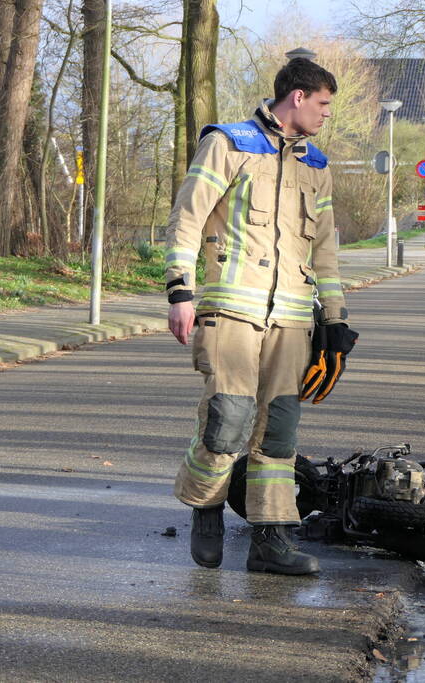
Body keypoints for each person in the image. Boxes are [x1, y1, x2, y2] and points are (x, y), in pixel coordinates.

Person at [164, 57, 350, 575]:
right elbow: (187, 216)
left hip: (292, 319)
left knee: (280, 429)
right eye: (323, 104)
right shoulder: (229, 143)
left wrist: (335, 321)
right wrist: (180, 290)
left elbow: (327, 252)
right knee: (229, 420)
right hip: (232, 310)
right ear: (297, 97)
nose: (326, 114)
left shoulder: (317, 165)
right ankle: (206, 506)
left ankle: (271, 541)